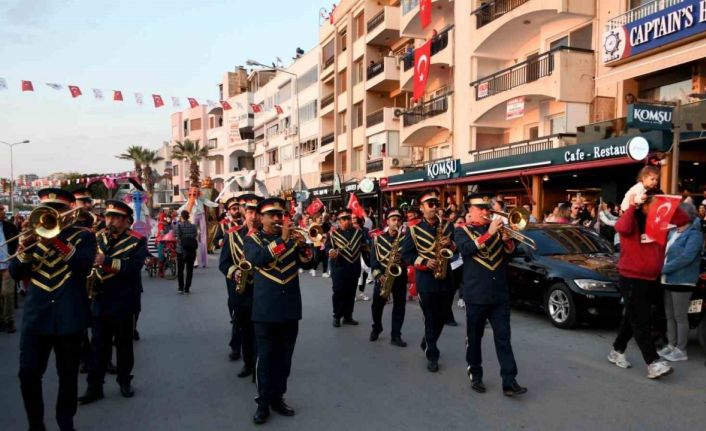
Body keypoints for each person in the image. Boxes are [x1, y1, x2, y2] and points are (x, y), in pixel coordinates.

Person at [10, 188, 96, 431]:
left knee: (67, 376)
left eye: (58, 209)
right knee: (28, 375)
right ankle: (35, 424)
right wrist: (26, 249)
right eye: (47, 209)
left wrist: (56, 240)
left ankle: (65, 422)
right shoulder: (28, 236)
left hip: (69, 317)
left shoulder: (83, 236)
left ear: (69, 211)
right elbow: (17, 272)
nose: (52, 214)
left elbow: (83, 266)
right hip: (36, 317)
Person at [243, 197, 315, 424]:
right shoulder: (253, 240)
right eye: (272, 215)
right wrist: (282, 241)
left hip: (290, 309)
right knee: (265, 359)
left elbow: (309, 264)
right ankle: (263, 402)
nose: (277, 219)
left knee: (285, 358)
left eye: (279, 215)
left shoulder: (293, 240)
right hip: (265, 311)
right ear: (261, 217)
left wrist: (305, 246)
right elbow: (259, 259)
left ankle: (278, 397)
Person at [454, 193, 527, 397]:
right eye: (482, 208)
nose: (487, 212)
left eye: (488, 207)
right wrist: (490, 234)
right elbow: (466, 249)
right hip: (476, 295)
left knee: (504, 338)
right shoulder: (462, 231)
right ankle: (475, 374)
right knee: (475, 338)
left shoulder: (498, 230)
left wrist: (507, 240)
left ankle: (509, 380)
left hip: (499, 295)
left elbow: (512, 254)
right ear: (471, 210)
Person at [78, 200, 147, 404]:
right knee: (98, 346)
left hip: (124, 301)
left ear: (127, 221)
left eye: (116, 217)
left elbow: (133, 267)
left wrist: (105, 261)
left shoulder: (137, 240)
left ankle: (124, 381)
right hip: (99, 299)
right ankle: (94, 387)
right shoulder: (97, 237)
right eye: (109, 216)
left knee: (124, 345)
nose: (111, 221)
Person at [607, 189, 673, 379]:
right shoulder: (633, 219)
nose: (660, 208)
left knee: (633, 317)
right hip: (632, 277)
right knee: (640, 320)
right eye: (656, 203)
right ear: (645, 204)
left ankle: (617, 350)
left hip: (651, 278)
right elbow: (622, 227)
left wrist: (673, 203)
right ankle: (653, 362)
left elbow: (684, 219)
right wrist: (633, 205)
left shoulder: (659, 222)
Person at [400, 189, 455, 373]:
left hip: (446, 278)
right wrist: (424, 261)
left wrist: (451, 245)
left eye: (436, 204)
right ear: (422, 208)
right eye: (430, 204)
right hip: (426, 280)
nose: (434, 207)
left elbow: (456, 249)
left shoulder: (447, 226)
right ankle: (432, 353)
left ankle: (427, 341)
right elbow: (406, 254)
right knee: (431, 317)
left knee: (442, 316)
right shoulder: (414, 229)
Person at [219, 194, 262, 373]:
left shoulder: (268, 236)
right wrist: (235, 272)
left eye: (257, 212)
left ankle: (261, 366)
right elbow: (224, 263)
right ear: (245, 213)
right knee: (245, 330)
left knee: (262, 331)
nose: (253, 216)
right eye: (250, 211)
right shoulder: (232, 235)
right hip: (241, 291)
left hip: (262, 291)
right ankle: (249, 363)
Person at [658, 204, 703, 362]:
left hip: (683, 280)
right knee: (670, 316)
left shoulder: (695, 234)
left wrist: (663, 268)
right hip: (668, 279)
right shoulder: (673, 232)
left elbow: (687, 257)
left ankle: (681, 349)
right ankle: (671, 345)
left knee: (680, 316)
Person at [369, 208, 408, 347]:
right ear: (387, 221)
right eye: (393, 220)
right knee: (376, 306)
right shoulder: (377, 238)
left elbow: (410, 256)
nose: (396, 222)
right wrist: (378, 275)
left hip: (399, 276)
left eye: (398, 220)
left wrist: (402, 258)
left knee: (399, 306)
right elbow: (373, 261)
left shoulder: (406, 238)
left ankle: (396, 335)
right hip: (382, 277)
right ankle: (376, 327)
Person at [327, 209, 365, 327]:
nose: (347, 221)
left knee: (350, 293)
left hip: (353, 267)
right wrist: (331, 251)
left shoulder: (358, 233)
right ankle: (337, 316)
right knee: (338, 292)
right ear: (338, 221)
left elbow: (364, 246)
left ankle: (348, 316)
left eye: (348, 218)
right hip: (339, 268)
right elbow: (327, 247)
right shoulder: (333, 234)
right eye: (343, 219)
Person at [0, 203, 19, 333]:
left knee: (7, 293)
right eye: (0, 209)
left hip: (8, 264)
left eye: (2, 209)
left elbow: (17, 242)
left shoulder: (10, 226)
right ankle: (2, 320)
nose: (3, 211)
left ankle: (9, 320)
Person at [175, 210, 198, 294]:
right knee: (189, 270)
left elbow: (177, 237)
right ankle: (187, 288)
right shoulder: (193, 226)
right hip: (191, 251)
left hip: (181, 251)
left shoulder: (179, 226)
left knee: (180, 270)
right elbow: (195, 235)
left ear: (181, 217)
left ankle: (180, 288)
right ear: (188, 216)